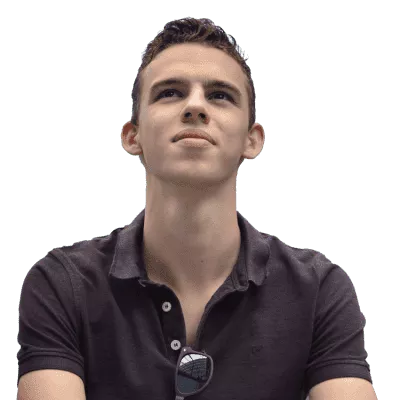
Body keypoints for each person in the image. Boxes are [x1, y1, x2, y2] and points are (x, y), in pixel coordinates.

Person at [17, 17, 376, 400]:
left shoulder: (320, 290)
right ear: (133, 136)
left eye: (220, 95)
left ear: (252, 140)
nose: (195, 106)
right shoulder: (62, 284)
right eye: (170, 92)